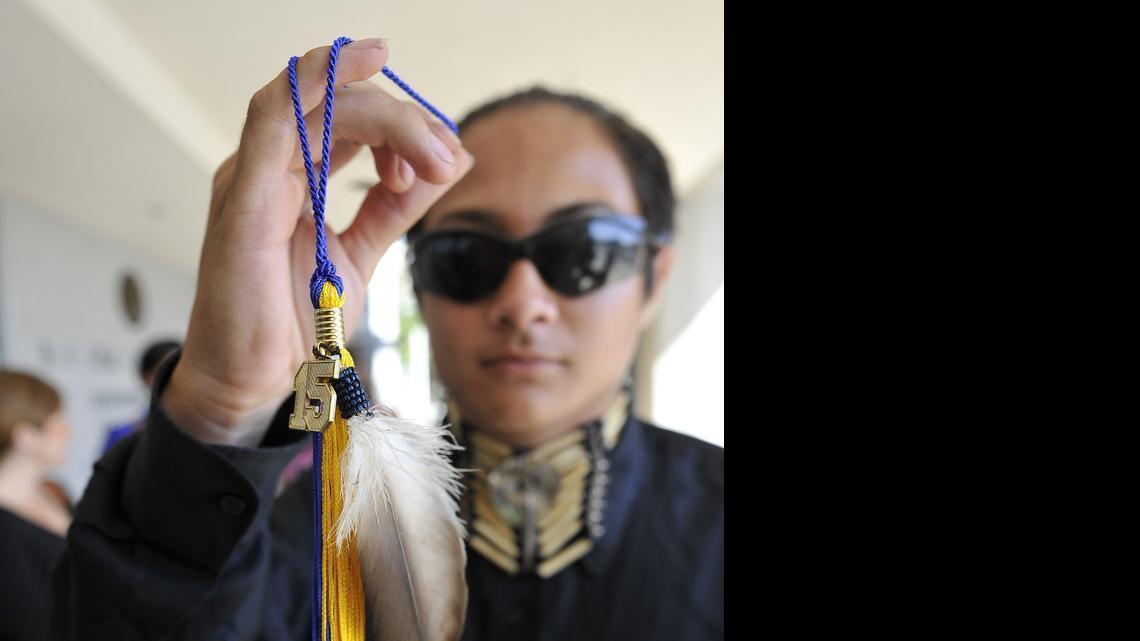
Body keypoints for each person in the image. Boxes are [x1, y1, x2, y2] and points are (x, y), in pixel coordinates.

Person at [53, 39, 722, 640]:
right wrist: (223, 404)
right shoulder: (317, 529)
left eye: (583, 252)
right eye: (467, 256)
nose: (523, 303)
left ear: (655, 277)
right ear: (421, 281)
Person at [0, 370, 72, 641]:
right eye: (55, 422)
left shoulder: (54, 495)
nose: (66, 431)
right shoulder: (4, 529)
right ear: (24, 435)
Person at [102, 340, 181, 454]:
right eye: (168, 370)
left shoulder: (206, 434)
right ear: (147, 377)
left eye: (181, 371)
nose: (176, 378)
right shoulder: (123, 435)